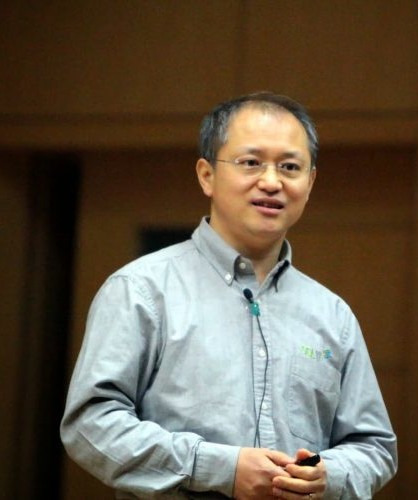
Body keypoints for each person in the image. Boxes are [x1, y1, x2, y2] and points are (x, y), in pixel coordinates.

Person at [60, 91, 397, 499]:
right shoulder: (142, 290)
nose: (271, 181)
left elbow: (375, 448)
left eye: (290, 167)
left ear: (309, 183)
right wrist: (219, 468)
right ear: (207, 175)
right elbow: (90, 424)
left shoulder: (333, 315)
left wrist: (329, 475)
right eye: (250, 162)